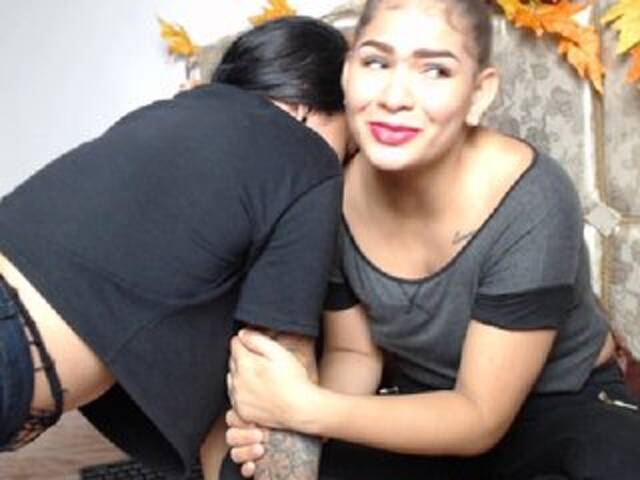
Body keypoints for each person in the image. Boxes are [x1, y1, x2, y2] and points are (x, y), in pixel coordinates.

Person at [225, 1, 640, 479]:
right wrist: (288, 423)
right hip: (419, 408)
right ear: (348, 74)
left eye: (435, 70)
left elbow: (479, 417)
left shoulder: (532, 197)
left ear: (479, 93)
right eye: (376, 62)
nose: (395, 97)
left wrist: (307, 409)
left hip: (561, 407)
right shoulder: (329, 197)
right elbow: (354, 354)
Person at [0, 16, 350, 480]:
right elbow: (282, 388)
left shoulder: (165, 118)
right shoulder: (310, 158)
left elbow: (221, 396)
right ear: (306, 105)